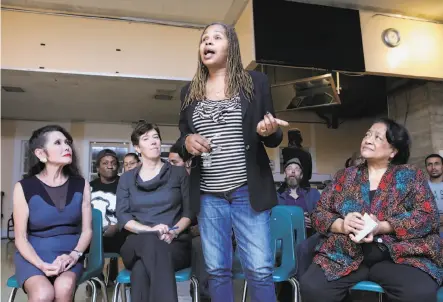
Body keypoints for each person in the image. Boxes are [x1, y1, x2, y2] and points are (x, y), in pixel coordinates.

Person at [177, 22, 288, 302]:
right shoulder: (189, 91)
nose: (208, 43)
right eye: (204, 39)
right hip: (208, 194)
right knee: (216, 270)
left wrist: (269, 130)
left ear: (232, 46)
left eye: (216, 37)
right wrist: (188, 143)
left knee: (260, 269)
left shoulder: (256, 82)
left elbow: (273, 134)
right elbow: (182, 139)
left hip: (246, 191)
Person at [300, 118, 443, 302]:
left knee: (418, 292)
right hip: (346, 253)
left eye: (377, 137)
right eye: (367, 134)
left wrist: (383, 226)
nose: (368, 139)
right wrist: (342, 224)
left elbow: (427, 217)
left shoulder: (410, 175)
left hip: (397, 256)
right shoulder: (344, 177)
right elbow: (319, 213)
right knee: (313, 287)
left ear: (393, 151)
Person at [13, 125, 92, 301]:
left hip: (69, 255)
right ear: (41, 154)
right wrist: (40, 264)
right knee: (43, 294)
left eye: (67, 142)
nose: (67, 147)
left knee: (64, 288)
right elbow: (20, 238)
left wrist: (74, 255)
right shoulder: (24, 187)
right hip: (33, 256)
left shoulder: (82, 185)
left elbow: (87, 230)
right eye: (58, 143)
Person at [116, 122, 193, 302]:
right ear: (137, 147)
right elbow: (123, 216)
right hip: (136, 243)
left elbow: (189, 212)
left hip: (174, 243)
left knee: (141, 270)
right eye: (146, 139)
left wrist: (173, 232)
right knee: (150, 243)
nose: (153, 142)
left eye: (156, 137)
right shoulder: (127, 179)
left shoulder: (178, 173)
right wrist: (150, 231)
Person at [169, 142, 211, 302]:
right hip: (178, 233)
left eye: (174, 162)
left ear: (187, 162)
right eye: (169, 162)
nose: (170, 166)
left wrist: (200, 228)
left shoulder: (202, 182)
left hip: (202, 233)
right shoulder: (170, 184)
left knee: (200, 245)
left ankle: (203, 297)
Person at [90, 149, 126, 285]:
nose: (110, 166)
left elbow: (133, 211)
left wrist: (117, 226)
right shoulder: (89, 187)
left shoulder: (125, 185)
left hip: (120, 233)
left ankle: (120, 279)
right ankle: (94, 279)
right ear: (98, 168)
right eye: (105, 163)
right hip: (95, 236)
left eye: (113, 163)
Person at [277, 158, 320, 236]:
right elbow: (274, 219)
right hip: (285, 239)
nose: (293, 171)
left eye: (297, 169)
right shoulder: (276, 196)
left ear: (301, 175)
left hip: (310, 240)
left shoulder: (313, 194)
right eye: (289, 168)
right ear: (285, 174)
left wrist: (314, 221)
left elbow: (322, 214)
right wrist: (296, 219)